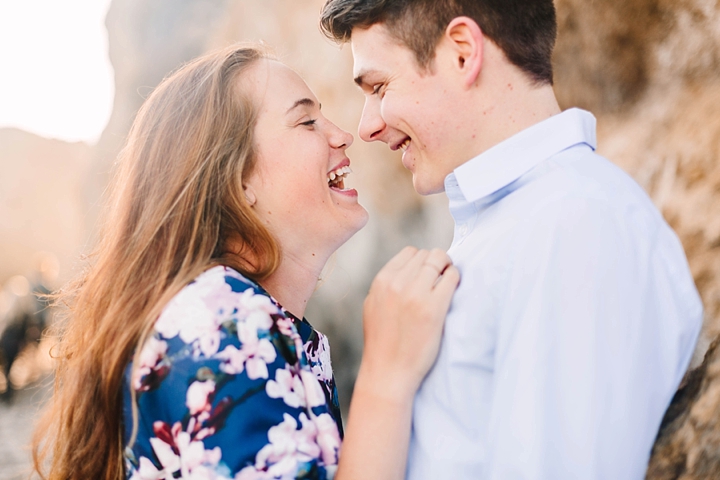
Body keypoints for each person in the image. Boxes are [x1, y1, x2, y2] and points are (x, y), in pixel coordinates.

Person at [31, 45, 459, 480]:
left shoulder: (223, 317)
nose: (342, 134)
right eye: (307, 121)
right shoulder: (218, 322)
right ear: (237, 180)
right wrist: (385, 379)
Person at [319, 1, 704, 478]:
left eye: (378, 87)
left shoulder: (574, 225)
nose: (366, 125)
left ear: (463, 52)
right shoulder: (528, 224)